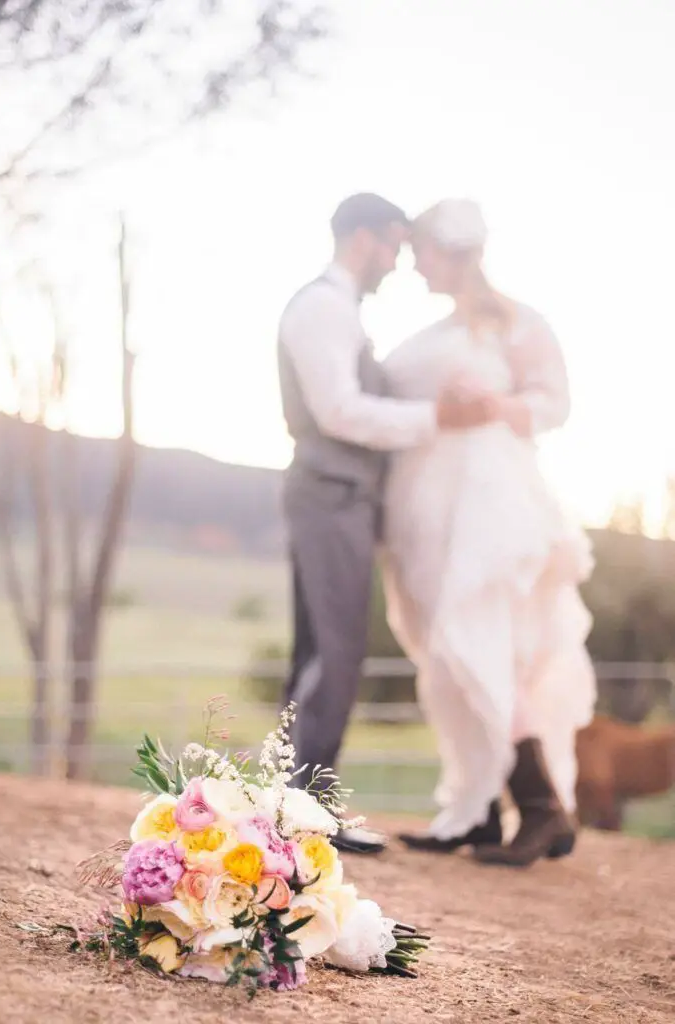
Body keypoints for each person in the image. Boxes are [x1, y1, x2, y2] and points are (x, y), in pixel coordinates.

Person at [382, 198, 596, 867]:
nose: (416, 265)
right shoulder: (432, 331)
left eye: (422, 252)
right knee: (448, 660)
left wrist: (495, 406)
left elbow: (555, 402)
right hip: (427, 511)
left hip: (489, 508)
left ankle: (538, 805)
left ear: (451, 251)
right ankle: (475, 809)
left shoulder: (517, 323)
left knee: (486, 644)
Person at [277, 193, 460, 854]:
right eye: (391, 244)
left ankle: (292, 805)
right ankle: (306, 809)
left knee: (317, 652)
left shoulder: (338, 310)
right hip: (330, 493)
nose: (395, 261)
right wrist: (437, 418)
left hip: (336, 495)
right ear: (362, 238)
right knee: (337, 650)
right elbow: (339, 412)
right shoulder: (322, 308)